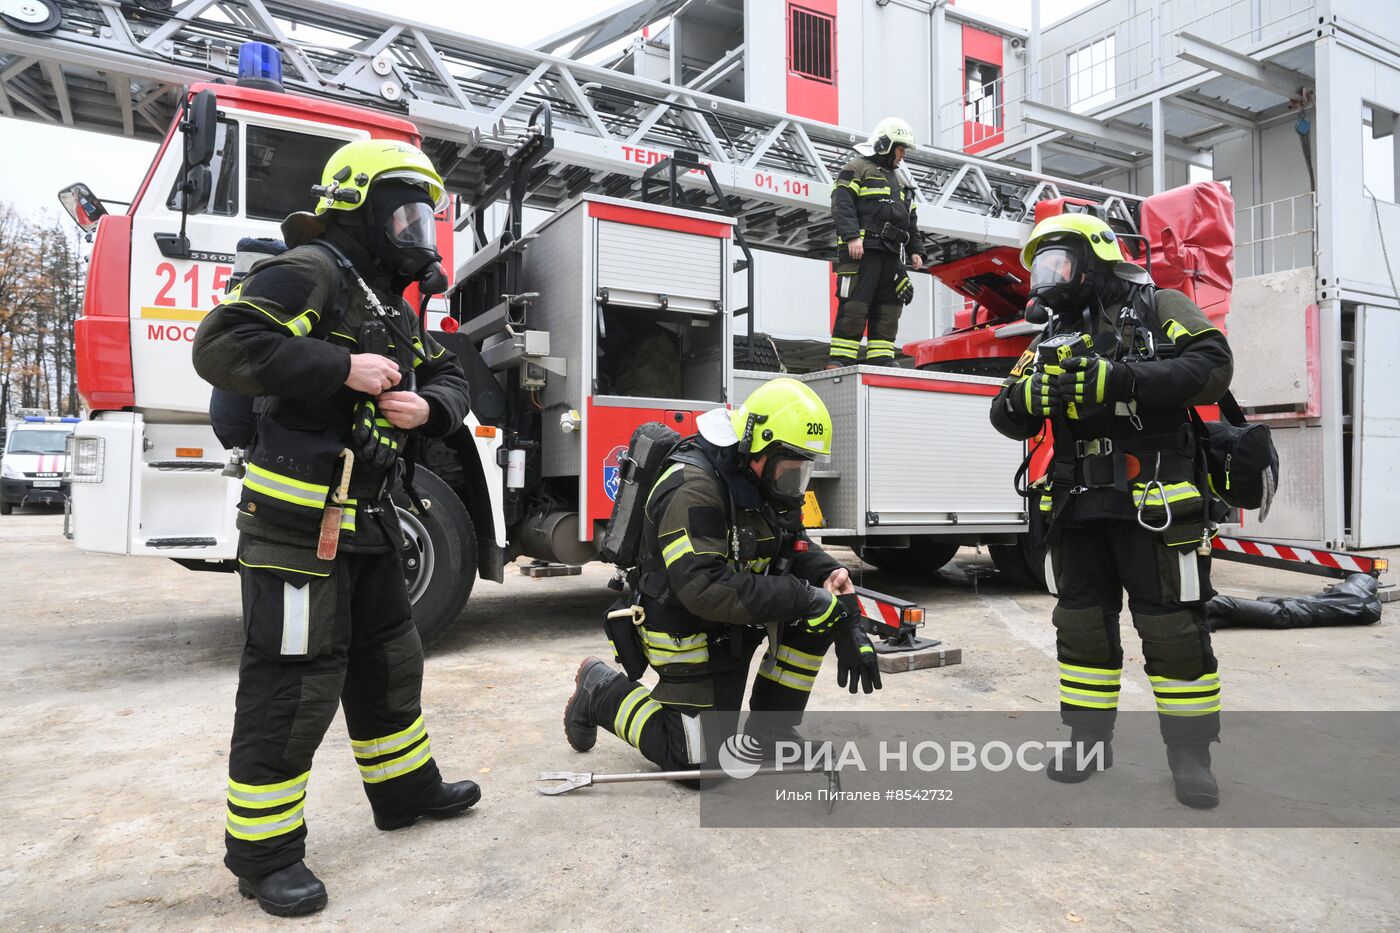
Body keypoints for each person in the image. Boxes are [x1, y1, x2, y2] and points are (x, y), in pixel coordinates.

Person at [192, 139, 478, 916]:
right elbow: (222, 343)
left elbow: (449, 372)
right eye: (407, 212)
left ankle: (403, 791)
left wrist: (431, 407)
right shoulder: (313, 268)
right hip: (296, 527)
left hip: (372, 520)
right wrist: (340, 369)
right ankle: (265, 854)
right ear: (364, 207)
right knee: (294, 681)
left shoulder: (384, 299)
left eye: (427, 214)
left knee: (390, 659)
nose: (418, 230)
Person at [989, 212, 1233, 809]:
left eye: (1058, 264)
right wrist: (1026, 396)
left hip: (1155, 504)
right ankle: (1087, 742)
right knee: (1081, 628)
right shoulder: (1049, 334)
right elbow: (1004, 413)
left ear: (1093, 258)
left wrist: (1121, 379)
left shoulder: (1161, 306)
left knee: (1172, 628)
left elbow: (1213, 365)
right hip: (1078, 506)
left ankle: (1190, 755)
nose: (1047, 280)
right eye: (1040, 269)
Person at [563, 378, 882, 770]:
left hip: (733, 621)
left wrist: (838, 596)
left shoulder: (765, 485)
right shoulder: (692, 489)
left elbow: (792, 543)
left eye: (803, 470)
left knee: (820, 611)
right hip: (685, 627)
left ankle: (772, 734)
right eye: (789, 469)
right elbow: (704, 587)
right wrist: (803, 596)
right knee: (700, 763)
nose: (795, 482)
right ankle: (600, 692)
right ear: (757, 451)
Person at [828, 117, 927, 368]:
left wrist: (916, 251)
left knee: (890, 305)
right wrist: (852, 236)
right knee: (855, 305)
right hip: (862, 251)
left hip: (891, 254)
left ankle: (882, 359)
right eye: (900, 149)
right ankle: (840, 359)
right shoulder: (857, 167)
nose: (903, 155)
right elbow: (842, 203)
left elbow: (910, 220)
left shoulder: (902, 182)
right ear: (886, 145)